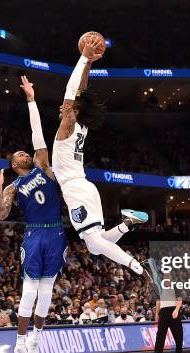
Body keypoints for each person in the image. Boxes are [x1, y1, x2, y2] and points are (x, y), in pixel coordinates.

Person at [0, 75, 67, 353]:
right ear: (14, 164)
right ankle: (19, 346)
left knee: (47, 291)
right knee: (29, 291)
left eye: (25, 151)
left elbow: (38, 133)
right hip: (34, 234)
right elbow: (3, 214)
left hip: (56, 231)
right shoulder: (14, 186)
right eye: (19, 154)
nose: (25, 152)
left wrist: (31, 99)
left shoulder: (42, 164)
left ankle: (36, 340)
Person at [51, 34, 150, 275]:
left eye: (67, 105)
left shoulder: (69, 123)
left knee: (94, 243)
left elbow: (72, 90)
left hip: (76, 189)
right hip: (84, 187)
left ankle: (136, 265)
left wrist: (83, 57)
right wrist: (88, 64)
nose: (62, 106)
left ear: (73, 109)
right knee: (95, 246)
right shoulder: (79, 124)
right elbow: (79, 91)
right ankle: (127, 225)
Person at [153, 279, 183, 353]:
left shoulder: (176, 287)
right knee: (160, 335)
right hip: (163, 312)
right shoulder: (160, 289)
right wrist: (157, 314)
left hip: (173, 311)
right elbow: (158, 302)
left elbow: (179, 300)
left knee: (178, 334)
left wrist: (177, 310)